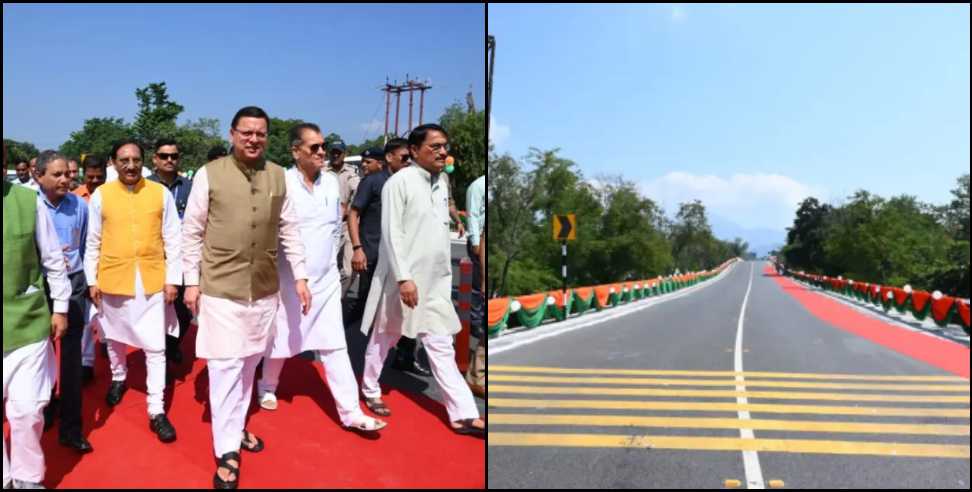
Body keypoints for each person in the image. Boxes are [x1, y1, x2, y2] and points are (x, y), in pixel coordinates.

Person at [182, 106, 311, 489]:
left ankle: (235, 428)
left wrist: (301, 277)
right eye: (246, 132)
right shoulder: (209, 174)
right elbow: (191, 231)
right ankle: (225, 451)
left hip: (264, 288)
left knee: (249, 364)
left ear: (268, 137)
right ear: (232, 134)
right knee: (224, 369)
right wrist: (192, 281)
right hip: (221, 286)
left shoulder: (277, 177)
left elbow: (289, 230)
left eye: (260, 133)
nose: (253, 139)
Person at [257, 123, 386, 434]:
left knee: (334, 344)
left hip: (326, 278)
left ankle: (351, 412)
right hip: (289, 277)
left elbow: (335, 225)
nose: (321, 152)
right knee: (283, 334)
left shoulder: (330, 182)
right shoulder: (282, 182)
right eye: (313, 147)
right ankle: (267, 385)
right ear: (295, 151)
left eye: (322, 146)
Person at [359, 124, 485, 436]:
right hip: (403, 280)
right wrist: (404, 278)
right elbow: (391, 233)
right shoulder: (398, 183)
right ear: (415, 151)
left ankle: (463, 413)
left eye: (445, 145)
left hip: (435, 282)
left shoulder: (442, 182)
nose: (443, 151)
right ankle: (370, 387)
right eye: (436, 146)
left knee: (440, 342)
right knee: (385, 335)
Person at [84, 139, 182, 444]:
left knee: (156, 347)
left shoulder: (160, 193)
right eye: (124, 160)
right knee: (114, 335)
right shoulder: (101, 195)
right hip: (112, 277)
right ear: (114, 163)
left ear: (144, 162)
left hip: (152, 281)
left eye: (136, 160)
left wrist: (173, 280)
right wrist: (91, 280)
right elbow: (93, 242)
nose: (130, 165)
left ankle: (156, 409)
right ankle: (118, 376)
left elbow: (173, 239)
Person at [3, 141, 71, 489]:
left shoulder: (27, 202)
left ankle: (28, 478)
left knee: (27, 410)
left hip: (26, 321)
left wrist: (60, 307)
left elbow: (53, 262)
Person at [349, 139, 430, 377]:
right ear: (389, 158)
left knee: (409, 308)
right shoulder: (374, 182)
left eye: (410, 158)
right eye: (404, 157)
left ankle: (405, 355)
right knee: (369, 308)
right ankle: (356, 356)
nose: (408, 162)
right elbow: (354, 214)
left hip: (404, 259)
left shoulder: (412, 183)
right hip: (373, 255)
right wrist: (357, 248)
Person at [34, 151, 94, 454]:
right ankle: (43, 411)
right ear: (38, 176)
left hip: (73, 284)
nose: (65, 179)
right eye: (56, 174)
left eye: (67, 174)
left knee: (70, 360)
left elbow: (85, 246)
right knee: (38, 357)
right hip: (38, 288)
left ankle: (71, 428)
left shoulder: (80, 206)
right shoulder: (30, 205)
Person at [147, 138, 194, 366]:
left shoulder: (189, 187)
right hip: (153, 258)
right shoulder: (144, 186)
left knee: (184, 312)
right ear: (154, 159)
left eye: (174, 156)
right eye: (164, 156)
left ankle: (172, 346)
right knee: (155, 313)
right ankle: (159, 357)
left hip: (182, 258)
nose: (169, 160)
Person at [74, 155, 108, 383]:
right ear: (83, 175)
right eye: (91, 177)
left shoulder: (114, 195)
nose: (95, 181)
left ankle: (107, 341)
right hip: (83, 263)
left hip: (110, 262)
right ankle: (86, 360)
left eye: (99, 177)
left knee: (108, 310)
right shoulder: (74, 198)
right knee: (86, 316)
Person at [326, 139, 360, 298]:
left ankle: (337, 299)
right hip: (327, 226)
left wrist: (349, 208)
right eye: (333, 152)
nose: (335, 155)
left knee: (349, 269)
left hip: (348, 226)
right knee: (325, 267)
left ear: (344, 154)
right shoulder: (322, 172)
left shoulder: (352, 173)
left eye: (338, 152)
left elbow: (359, 195)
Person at [464, 173, 486, 399]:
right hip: (479, 243)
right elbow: (473, 216)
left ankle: (477, 371)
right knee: (481, 297)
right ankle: (477, 375)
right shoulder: (477, 187)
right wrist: (475, 245)